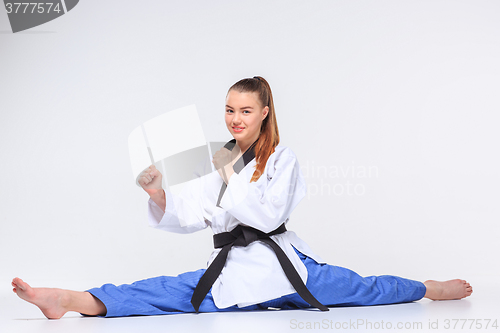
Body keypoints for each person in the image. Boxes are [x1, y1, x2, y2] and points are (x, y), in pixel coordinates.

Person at [12, 76, 473, 319]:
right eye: (230, 110)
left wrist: (228, 180)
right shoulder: (222, 157)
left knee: (365, 289)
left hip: (287, 269)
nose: (235, 119)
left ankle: (430, 288)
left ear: (264, 113)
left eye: (245, 110)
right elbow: (193, 213)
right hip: (233, 274)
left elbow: (270, 212)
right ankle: (68, 299)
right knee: (162, 292)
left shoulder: (281, 159)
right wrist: (158, 193)